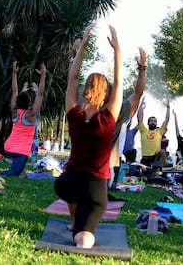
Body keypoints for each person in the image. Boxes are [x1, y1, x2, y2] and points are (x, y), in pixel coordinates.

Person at [54, 23, 123, 248]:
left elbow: (72, 79)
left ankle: (75, 220)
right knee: (85, 236)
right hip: (95, 189)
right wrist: (117, 50)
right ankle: (81, 234)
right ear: (106, 95)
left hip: (70, 183)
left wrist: (83, 44)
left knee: (63, 188)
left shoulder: (73, 114)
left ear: (86, 90)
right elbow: (120, 82)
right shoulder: (107, 119)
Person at [0, 61, 46, 177]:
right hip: (21, 151)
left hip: (8, 147)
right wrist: (43, 76)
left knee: (19, 170)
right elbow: (40, 95)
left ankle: (22, 172)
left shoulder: (14, 111)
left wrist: (14, 74)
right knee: (14, 173)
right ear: (29, 103)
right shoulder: (31, 114)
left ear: (18, 102)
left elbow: (14, 91)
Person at [109, 47, 146, 188]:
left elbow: (138, 93)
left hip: (113, 159)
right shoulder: (108, 110)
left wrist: (142, 68)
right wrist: (142, 68)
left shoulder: (123, 110)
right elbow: (138, 93)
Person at [137, 97, 170, 167]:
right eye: (151, 121)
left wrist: (168, 107)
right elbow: (139, 117)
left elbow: (166, 120)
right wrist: (141, 105)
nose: (153, 122)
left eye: (155, 121)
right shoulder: (143, 130)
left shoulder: (159, 132)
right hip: (145, 158)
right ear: (148, 123)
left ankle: (161, 169)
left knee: (162, 151)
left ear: (156, 124)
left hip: (155, 157)